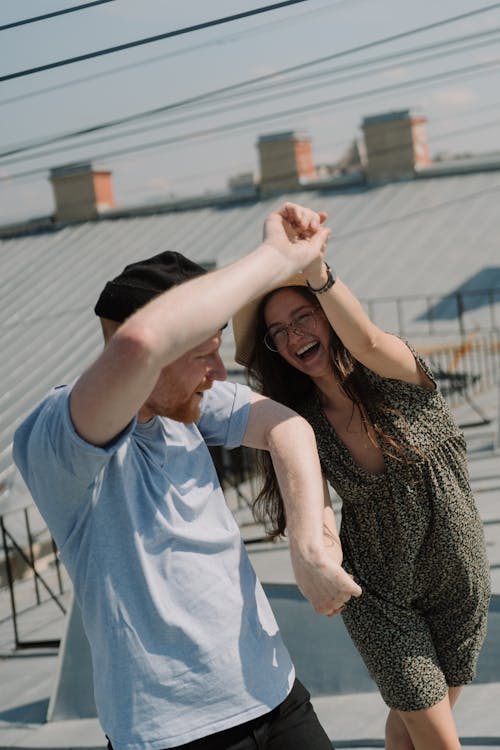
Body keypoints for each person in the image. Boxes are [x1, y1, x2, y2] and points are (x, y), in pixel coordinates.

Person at [13, 202, 361, 750]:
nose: (219, 372)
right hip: (174, 735)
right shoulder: (57, 440)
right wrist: (275, 257)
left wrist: (310, 547)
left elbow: (289, 427)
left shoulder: (189, 403)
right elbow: (140, 343)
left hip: (274, 692)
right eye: (204, 354)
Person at [232, 219, 491, 750]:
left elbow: (367, 338)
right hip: (379, 594)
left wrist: (313, 267)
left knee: (411, 727)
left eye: (303, 317)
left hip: (459, 581)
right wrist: (322, 559)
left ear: (327, 316)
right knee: (438, 737)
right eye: (278, 331)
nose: (293, 335)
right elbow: (317, 508)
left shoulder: (399, 374)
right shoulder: (301, 424)